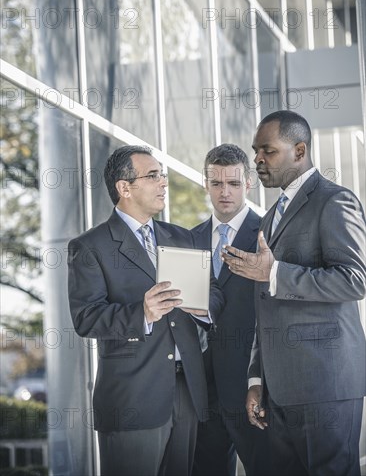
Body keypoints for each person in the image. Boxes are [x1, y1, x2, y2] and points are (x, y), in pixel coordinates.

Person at [222, 111, 366, 476]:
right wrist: (257, 380)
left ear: (299, 150)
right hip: (278, 393)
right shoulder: (269, 217)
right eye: (255, 151)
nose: (256, 160)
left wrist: (275, 272)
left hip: (325, 385)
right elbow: (265, 307)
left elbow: (354, 279)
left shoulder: (335, 201)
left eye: (267, 151)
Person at [67, 145, 224, 476]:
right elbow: (86, 318)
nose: (163, 183)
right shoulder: (90, 247)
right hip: (132, 398)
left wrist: (202, 307)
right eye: (153, 176)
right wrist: (142, 313)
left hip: (188, 393)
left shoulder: (183, 238)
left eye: (162, 175)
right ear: (125, 188)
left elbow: (215, 293)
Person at [192, 144, 271, 476]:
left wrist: (263, 379)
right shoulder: (187, 239)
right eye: (216, 183)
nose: (225, 192)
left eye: (234, 184)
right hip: (201, 392)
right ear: (206, 184)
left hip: (250, 388)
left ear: (248, 184)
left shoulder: (270, 235)